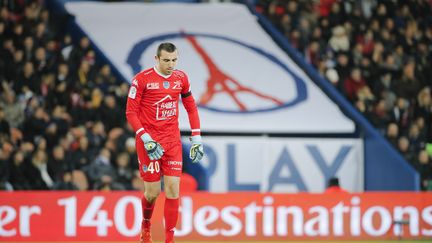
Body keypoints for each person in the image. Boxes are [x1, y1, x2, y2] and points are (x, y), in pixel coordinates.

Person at [125, 42, 204, 243]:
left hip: (172, 142)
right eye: (167, 60)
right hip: (149, 143)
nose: (171, 64)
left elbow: (191, 107)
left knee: (173, 190)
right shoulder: (141, 80)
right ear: (157, 59)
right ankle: (145, 225)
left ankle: (169, 239)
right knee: (152, 193)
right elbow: (131, 112)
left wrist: (196, 137)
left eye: (174, 60)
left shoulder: (181, 78)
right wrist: (145, 138)